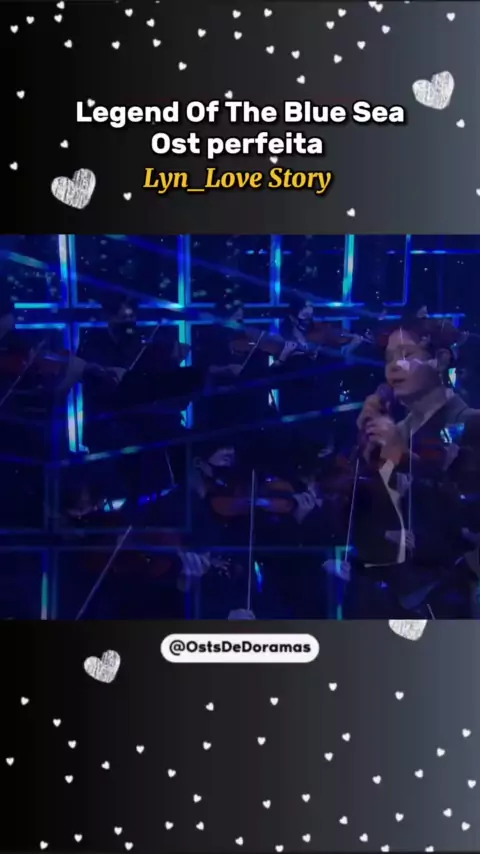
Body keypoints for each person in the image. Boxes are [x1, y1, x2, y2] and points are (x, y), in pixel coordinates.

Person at [337, 315, 480, 619]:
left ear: (440, 360)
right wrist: (362, 446)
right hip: (382, 599)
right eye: (389, 358)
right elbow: (354, 514)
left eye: (406, 354)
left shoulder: (471, 424)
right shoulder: (389, 432)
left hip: (446, 599)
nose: (393, 366)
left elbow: (467, 508)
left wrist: (405, 460)